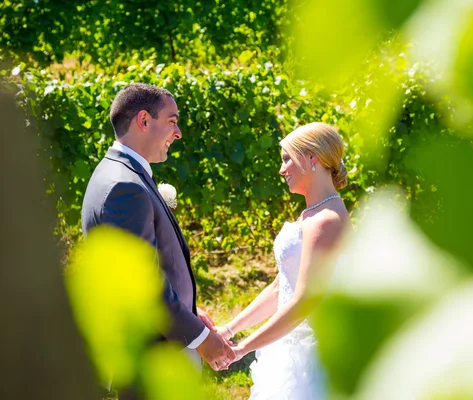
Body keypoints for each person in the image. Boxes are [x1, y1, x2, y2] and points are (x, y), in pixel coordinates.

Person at [81, 83, 235, 377]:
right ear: (143, 120)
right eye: (172, 122)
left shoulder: (119, 173)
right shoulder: (123, 186)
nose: (178, 134)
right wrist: (200, 338)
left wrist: (190, 313)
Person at [216, 122, 350, 399]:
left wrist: (242, 349)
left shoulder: (326, 220)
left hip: (311, 362)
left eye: (287, 158)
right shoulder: (312, 214)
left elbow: (303, 302)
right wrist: (230, 330)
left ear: (311, 158)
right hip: (287, 350)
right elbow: (281, 287)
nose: (281, 169)